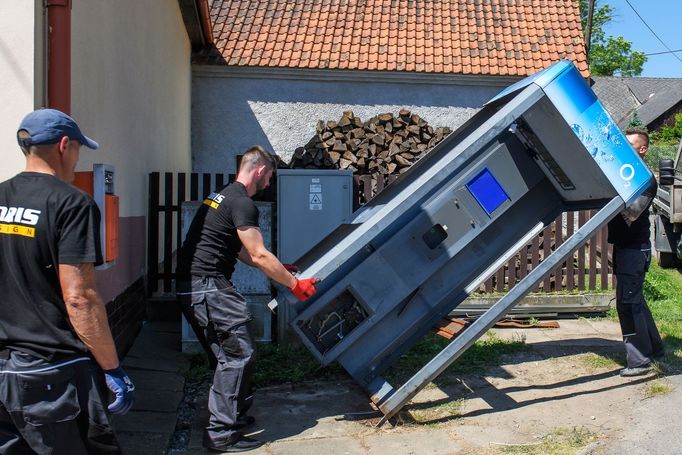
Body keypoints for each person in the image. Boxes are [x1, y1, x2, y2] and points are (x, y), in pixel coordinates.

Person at [0, 109, 135, 454]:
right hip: (51, 374)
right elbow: (80, 297)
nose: (78, 159)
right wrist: (112, 367)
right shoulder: (71, 204)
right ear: (64, 146)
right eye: (78, 149)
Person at [176, 145, 318, 453]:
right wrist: (295, 284)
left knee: (226, 357)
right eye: (269, 177)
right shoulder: (242, 202)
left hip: (193, 287)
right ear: (260, 171)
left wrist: (279, 268)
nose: (269, 184)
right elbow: (257, 252)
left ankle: (232, 418)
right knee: (240, 355)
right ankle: (221, 434)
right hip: (208, 287)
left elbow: (241, 251)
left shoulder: (222, 196)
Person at [608, 127, 664, 377]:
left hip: (634, 249)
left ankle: (639, 360)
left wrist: (609, 194)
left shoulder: (644, 179)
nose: (625, 150)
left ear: (642, 149)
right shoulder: (627, 175)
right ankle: (654, 346)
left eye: (630, 146)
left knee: (628, 304)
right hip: (626, 247)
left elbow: (631, 213)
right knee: (635, 299)